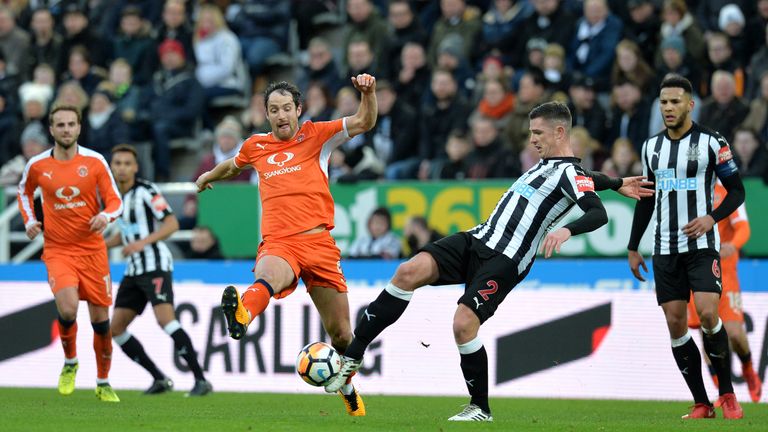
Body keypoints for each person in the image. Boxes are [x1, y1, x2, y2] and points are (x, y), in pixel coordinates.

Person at [323, 101, 654, 421]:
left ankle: (479, 407)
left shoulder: (570, 173)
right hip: (478, 238)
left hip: (507, 258)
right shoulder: (556, 168)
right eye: (530, 133)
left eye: (538, 133)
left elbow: (597, 213)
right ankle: (353, 356)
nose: (532, 139)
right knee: (408, 271)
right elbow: (586, 176)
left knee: (463, 324)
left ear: (558, 132)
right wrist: (616, 182)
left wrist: (566, 230)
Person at [194, 74, 378, 416]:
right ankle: (242, 314)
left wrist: (368, 93)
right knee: (267, 276)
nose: (281, 115)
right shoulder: (256, 146)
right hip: (280, 242)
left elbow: (365, 121)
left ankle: (348, 389)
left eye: (286, 108)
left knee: (341, 336)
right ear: (266, 114)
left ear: (299, 110)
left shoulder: (318, 135)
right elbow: (233, 166)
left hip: (319, 243)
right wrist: (207, 177)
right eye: (274, 110)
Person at [627, 74, 746, 419]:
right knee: (676, 324)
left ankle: (727, 393)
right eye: (663, 102)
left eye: (675, 101)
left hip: (702, 245)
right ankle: (701, 402)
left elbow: (737, 191)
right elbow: (647, 200)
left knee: (709, 313)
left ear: (690, 105)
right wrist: (634, 246)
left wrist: (711, 218)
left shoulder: (712, 142)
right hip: (664, 249)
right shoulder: (651, 147)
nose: (668, 108)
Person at [17, 104, 123, 402]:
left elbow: (116, 201)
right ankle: (70, 362)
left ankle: (103, 381)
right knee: (67, 308)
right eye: (60, 125)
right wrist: (29, 220)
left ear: (79, 128)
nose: (66, 129)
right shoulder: (38, 165)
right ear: (51, 130)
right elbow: (23, 191)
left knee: (101, 321)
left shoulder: (95, 162)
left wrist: (106, 216)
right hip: (58, 250)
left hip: (93, 252)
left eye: (71, 124)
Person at [106, 144, 212, 397]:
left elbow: (172, 223)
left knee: (166, 320)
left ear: (135, 167)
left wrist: (142, 243)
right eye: (117, 163)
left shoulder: (146, 191)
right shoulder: (115, 197)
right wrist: (100, 244)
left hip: (155, 265)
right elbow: (127, 233)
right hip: (134, 269)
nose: (121, 167)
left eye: (126, 163)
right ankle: (159, 378)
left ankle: (200, 379)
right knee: (116, 328)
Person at [686, 182, 762, 403]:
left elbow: (743, 228)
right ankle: (726, 394)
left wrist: (733, 245)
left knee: (735, 333)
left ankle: (748, 368)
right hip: (695, 268)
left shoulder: (727, 191)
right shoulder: (688, 187)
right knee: (706, 330)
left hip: (724, 271)